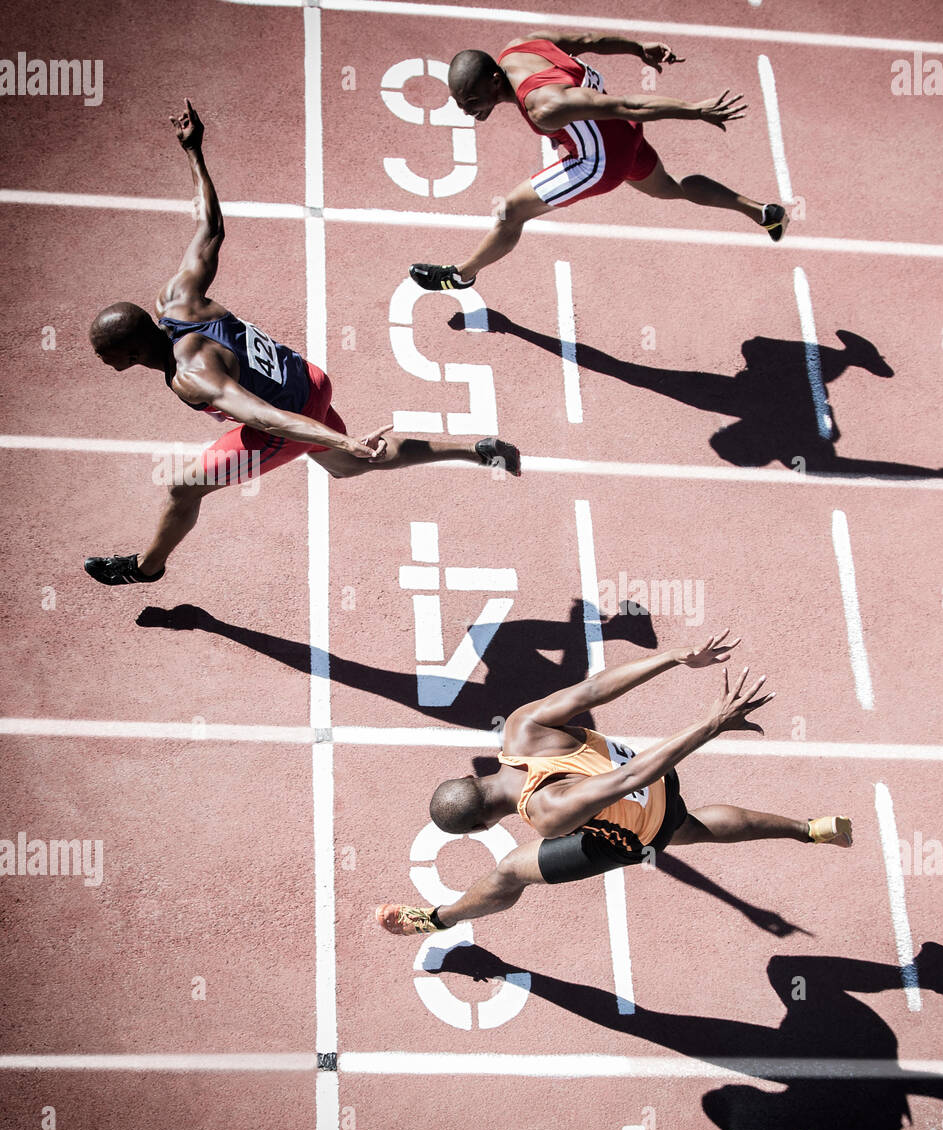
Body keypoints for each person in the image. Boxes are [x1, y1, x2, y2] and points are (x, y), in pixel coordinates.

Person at [85, 99, 519, 585]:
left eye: (103, 354)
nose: (100, 360)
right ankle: (475, 450)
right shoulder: (178, 298)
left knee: (183, 487)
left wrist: (339, 436)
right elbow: (210, 228)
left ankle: (146, 569)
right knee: (347, 465)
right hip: (308, 380)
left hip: (286, 418)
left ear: (128, 354)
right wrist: (194, 152)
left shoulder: (192, 376)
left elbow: (265, 418)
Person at [376, 632, 851, 935]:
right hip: (661, 776)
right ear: (471, 775)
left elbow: (627, 779)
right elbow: (592, 690)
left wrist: (712, 724)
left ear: (482, 827)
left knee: (508, 872)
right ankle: (810, 828)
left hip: (643, 809)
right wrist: (670, 657)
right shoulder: (521, 728)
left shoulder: (545, 812)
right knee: (685, 825)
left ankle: (440, 920)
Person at [409, 32, 789, 293]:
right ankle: (764, 213)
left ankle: (461, 276)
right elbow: (588, 41)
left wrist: (695, 110)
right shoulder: (519, 48)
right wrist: (637, 47)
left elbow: (627, 103)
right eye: (460, 103)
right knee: (669, 187)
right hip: (625, 135)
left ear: (495, 82)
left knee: (510, 211)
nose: (466, 110)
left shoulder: (545, 106)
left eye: (471, 101)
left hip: (599, 162)